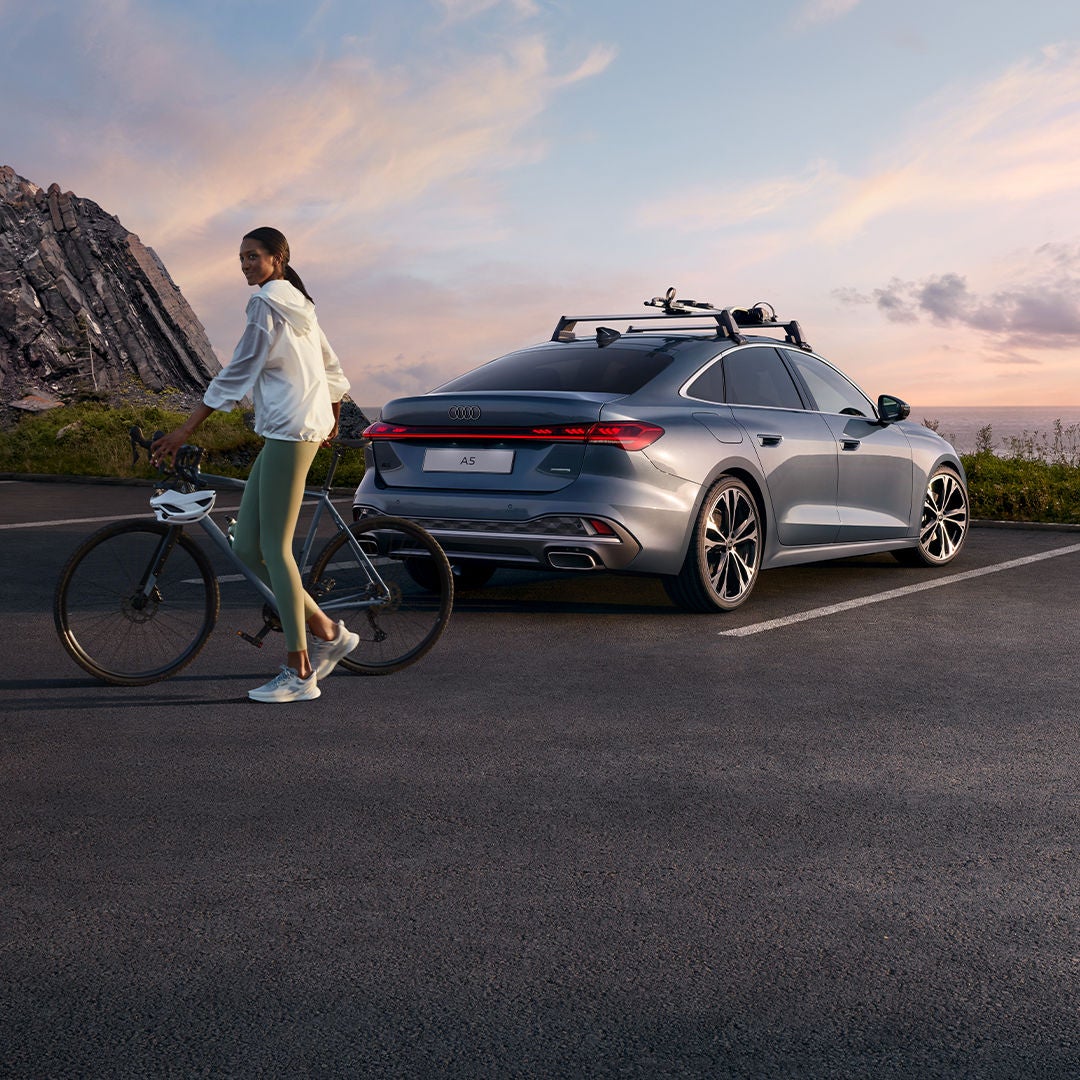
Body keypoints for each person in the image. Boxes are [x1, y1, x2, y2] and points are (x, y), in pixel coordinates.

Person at [152, 227, 359, 703]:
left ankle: (299, 670)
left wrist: (186, 429)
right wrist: (327, 413)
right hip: (286, 430)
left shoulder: (269, 304)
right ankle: (330, 632)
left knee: (276, 549)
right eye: (241, 257)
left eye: (253, 256)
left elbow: (240, 369)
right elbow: (334, 371)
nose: (245, 264)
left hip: (290, 432)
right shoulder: (300, 306)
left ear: (277, 258)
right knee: (246, 548)